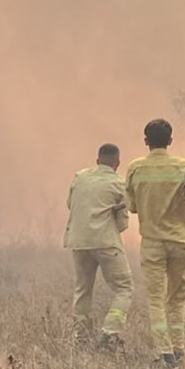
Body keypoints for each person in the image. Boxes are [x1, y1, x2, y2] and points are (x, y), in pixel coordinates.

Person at [124, 119, 185, 368]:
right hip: (180, 242)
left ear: (146, 141)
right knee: (177, 297)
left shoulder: (135, 169)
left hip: (152, 244)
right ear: (170, 141)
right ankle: (178, 348)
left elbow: (132, 207)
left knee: (156, 299)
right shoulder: (183, 166)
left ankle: (164, 351)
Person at [64, 143, 133, 351]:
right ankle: (110, 333)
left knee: (82, 290)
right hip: (105, 242)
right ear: (117, 163)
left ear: (97, 161)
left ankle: (81, 337)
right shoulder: (118, 183)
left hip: (78, 241)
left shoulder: (79, 177)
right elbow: (123, 223)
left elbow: (70, 204)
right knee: (124, 289)